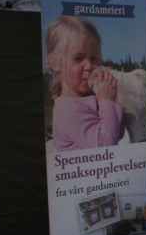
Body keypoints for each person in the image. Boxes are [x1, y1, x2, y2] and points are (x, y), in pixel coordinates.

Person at [46, 16, 123, 151]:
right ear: (55, 63)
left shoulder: (86, 100)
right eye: (78, 58)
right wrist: (106, 101)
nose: (89, 66)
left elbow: (117, 133)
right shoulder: (69, 111)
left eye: (94, 59)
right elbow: (104, 147)